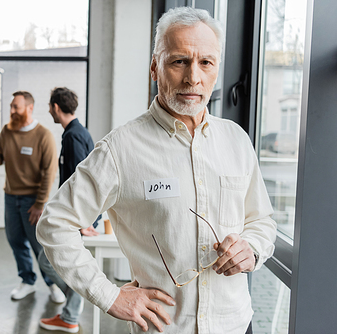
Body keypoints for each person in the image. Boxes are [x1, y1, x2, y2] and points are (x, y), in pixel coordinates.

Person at [37, 7, 277, 334]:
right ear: (155, 67)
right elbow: (54, 224)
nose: (193, 77)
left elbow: (261, 221)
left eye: (205, 62)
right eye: (179, 61)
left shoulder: (236, 140)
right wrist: (109, 296)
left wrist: (252, 249)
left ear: (216, 69)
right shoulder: (121, 148)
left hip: (236, 324)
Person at [0, 91, 65, 303]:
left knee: (39, 245)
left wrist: (40, 203)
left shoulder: (43, 136)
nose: (11, 111)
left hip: (33, 201)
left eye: (15, 107)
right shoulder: (7, 131)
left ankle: (53, 283)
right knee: (16, 241)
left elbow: (50, 171)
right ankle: (27, 281)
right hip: (11, 198)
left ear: (29, 108)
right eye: (11, 106)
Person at [38, 87, 100, 333]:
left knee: (47, 260)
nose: (49, 111)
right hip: (76, 215)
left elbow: (79, 180)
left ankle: (72, 310)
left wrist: (83, 220)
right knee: (56, 260)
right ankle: (71, 312)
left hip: (75, 217)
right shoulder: (76, 132)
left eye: (49, 107)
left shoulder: (73, 136)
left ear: (55, 107)